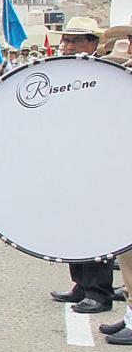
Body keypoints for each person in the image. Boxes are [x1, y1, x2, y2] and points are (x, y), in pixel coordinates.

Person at [48, 17, 117, 315]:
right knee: (73, 224)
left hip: (98, 161)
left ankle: (99, 292)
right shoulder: (61, 72)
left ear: (93, 43)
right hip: (70, 158)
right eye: (66, 40)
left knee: (96, 226)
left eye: (76, 40)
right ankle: (80, 283)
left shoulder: (106, 73)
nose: (68, 46)